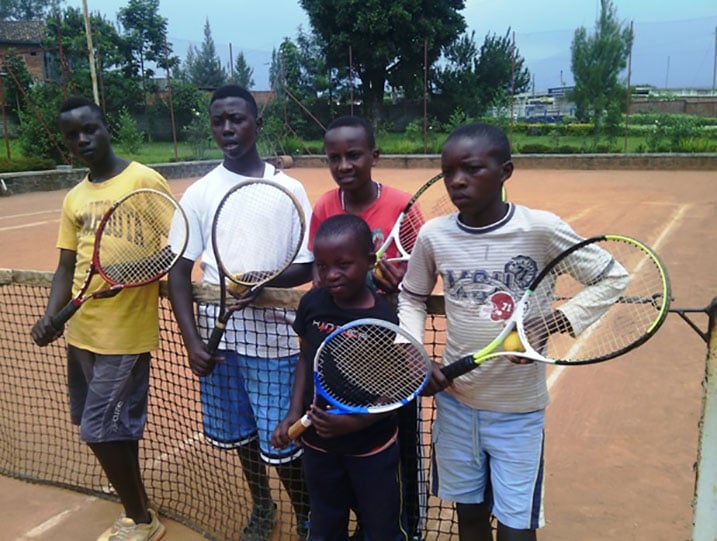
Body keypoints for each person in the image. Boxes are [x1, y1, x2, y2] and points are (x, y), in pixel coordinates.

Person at [398, 122, 629, 541]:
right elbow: (411, 298)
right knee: (467, 518)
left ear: (506, 171)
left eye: (471, 169)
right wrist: (415, 355)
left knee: (516, 528)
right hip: (456, 406)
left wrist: (551, 322)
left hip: (518, 414)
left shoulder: (540, 229)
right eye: (448, 171)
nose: (457, 181)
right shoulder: (434, 235)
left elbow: (613, 277)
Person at [167, 85, 312, 541]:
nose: (227, 128)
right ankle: (263, 505)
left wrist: (264, 281)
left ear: (256, 124)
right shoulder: (200, 193)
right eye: (218, 121)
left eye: (237, 119)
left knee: (282, 438)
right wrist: (192, 342)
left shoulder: (288, 189)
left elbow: (307, 265)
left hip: (275, 344)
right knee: (242, 436)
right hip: (220, 343)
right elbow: (178, 271)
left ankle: (307, 513)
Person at [30, 96, 169, 541]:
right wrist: (51, 317)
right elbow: (66, 267)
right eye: (72, 136)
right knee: (114, 427)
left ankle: (142, 520)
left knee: (97, 429)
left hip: (125, 335)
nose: (83, 139)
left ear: (107, 127)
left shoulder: (143, 180)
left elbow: (179, 245)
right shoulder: (75, 197)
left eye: (90, 129)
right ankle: (139, 499)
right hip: (82, 332)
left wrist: (137, 272)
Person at [309, 115, 425, 540]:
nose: (344, 165)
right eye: (334, 158)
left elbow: (422, 268)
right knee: (346, 445)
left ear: (374, 156)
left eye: (354, 155)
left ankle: (403, 525)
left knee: (395, 440)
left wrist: (402, 279)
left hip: (390, 343)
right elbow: (321, 273)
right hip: (340, 344)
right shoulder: (324, 206)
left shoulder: (403, 205)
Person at [272, 214, 410, 540]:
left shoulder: (384, 317)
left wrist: (356, 422)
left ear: (369, 261)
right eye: (321, 266)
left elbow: (398, 388)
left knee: (379, 527)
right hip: (318, 446)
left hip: (371, 448)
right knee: (326, 521)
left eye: (343, 264)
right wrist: (294, 413)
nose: (330, 275)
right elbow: (306, 357)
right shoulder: (313, 303)